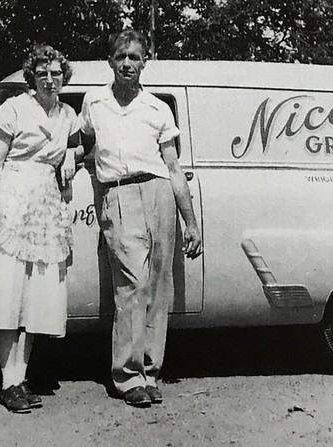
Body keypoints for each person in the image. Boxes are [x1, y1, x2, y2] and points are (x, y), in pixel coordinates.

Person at [78, 29, 203, 407]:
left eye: (134, 57)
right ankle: (128, 376)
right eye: (121, 57)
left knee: (158, 286)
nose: (128, 64)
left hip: (159, 193)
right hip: (118, 194)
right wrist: (86, 173)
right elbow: (86, 146)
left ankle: (150, 372)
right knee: (132, 284)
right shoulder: (94, 101)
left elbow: (173, 166)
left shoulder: (157, 109)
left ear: (145, 61)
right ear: (110, 61)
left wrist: (190, 221)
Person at [0, 44, 79, 413]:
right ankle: (7, 381)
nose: (50, 79)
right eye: (43, 73)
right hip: (14, 200)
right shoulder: (16, 107)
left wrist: (70, 158)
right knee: (9, 291)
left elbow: (81, 145)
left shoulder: (67, 114)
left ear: (64, 77)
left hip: (46, 204)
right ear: (32, 76)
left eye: (56, 73)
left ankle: (21, 377)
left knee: (35, 295)